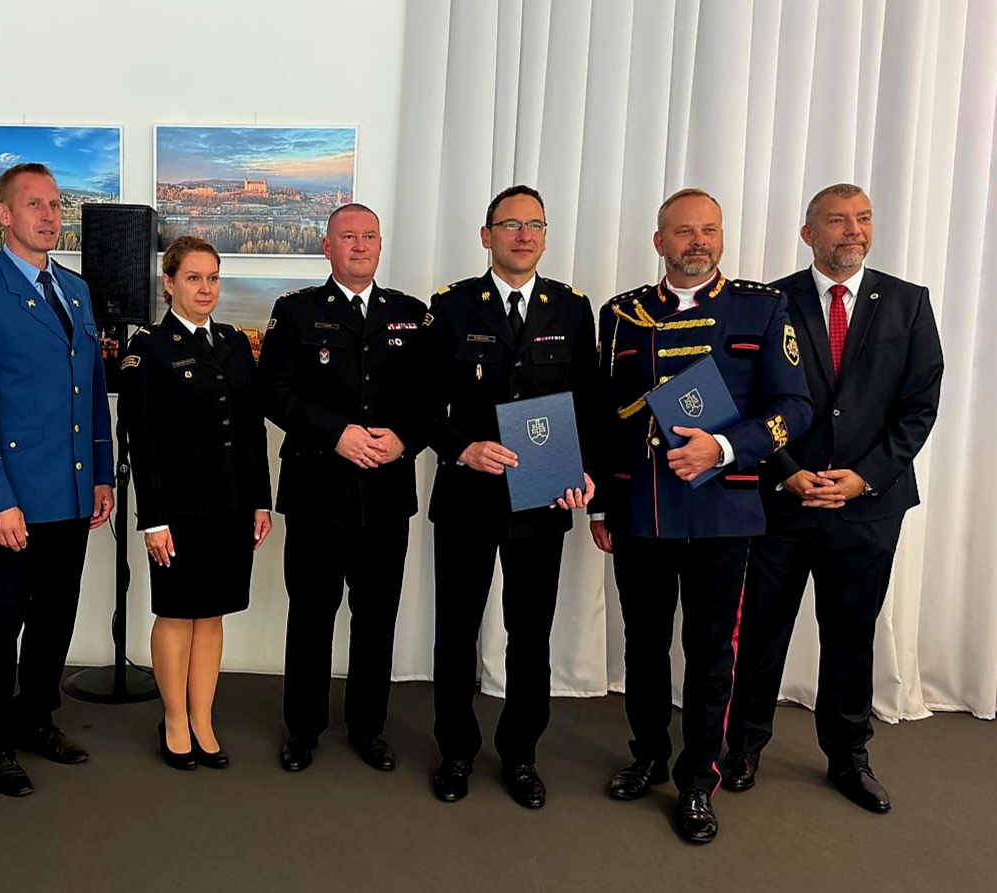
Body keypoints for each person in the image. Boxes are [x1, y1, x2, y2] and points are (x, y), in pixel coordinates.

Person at [588, 188, 813, 844]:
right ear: (660, 241)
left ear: (720, 237)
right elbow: (604, 413)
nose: (697, 242)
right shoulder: (621, 313)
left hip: (723, 509)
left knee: (711, 652)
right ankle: (648, 755)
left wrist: (723, 446)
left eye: (708, 230)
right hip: (641, 508)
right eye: (683, 232)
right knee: (644, 645)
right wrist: (602, 501)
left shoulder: (761, 308)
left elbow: (794, 407)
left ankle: (697, 779)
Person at [721, 184, 944, 813]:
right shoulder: (770, 302)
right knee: (761, 629)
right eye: (838, 220)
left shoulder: (908, 302)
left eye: (863, 219)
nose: (853, 230)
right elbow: (745, 399)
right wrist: (786, 470)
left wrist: (863, 477)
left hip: (868, 506)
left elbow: (919, 405)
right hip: (781, 501)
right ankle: (744, 746)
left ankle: (849, 756)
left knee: (851, 635)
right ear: (808, 233)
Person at [0, 162, 114, 797]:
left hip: (70, 489)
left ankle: (37, 715)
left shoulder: (76, 290)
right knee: (3, 619)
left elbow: (92, 389)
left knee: (56, 614)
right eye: (34, 204)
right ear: (4, 215)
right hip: (13, 494)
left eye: (56, 205)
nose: (49, 216)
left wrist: (101, 474)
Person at [423, 185, 596, 807]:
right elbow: (423, 404)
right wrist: (462, 448)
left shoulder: (571, 308)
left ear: (545, 236)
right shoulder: (450, 307)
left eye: (535, 225)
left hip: (543, 495)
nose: (524, 235)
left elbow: (589, 400)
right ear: (486, 235)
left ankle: (521, 753)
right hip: (469, 495)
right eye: (510, 224)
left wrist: (586, 470)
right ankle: (456, 751)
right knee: (456, 632)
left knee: (530, 634)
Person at [257, 203, 429, 773]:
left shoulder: (411, 314)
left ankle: (368, 727)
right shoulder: (296, 311)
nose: (360, 246)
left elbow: (430, 399)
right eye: (348, 237)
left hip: (386, 494)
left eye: (369, 237)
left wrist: (404, 439)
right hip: (317, 492)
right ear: (326, 247)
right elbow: (274, 392)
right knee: (311, 616)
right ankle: (303, 728)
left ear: (380, 245)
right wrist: (336, 434)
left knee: (376, 618)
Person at [118, 235, 273, 770]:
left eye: (212, 278)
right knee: (177, 613)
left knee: (212, 614)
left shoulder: (232, 342)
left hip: (231, 504)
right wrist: (152, 520)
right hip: (178, 509)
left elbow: (250, 430)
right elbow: (141, 441)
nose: (205, 288)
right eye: (193, 278)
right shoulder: (149, 348)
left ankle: (203, 718)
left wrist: (260, 501)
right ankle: (174, 719)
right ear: (169, 284)